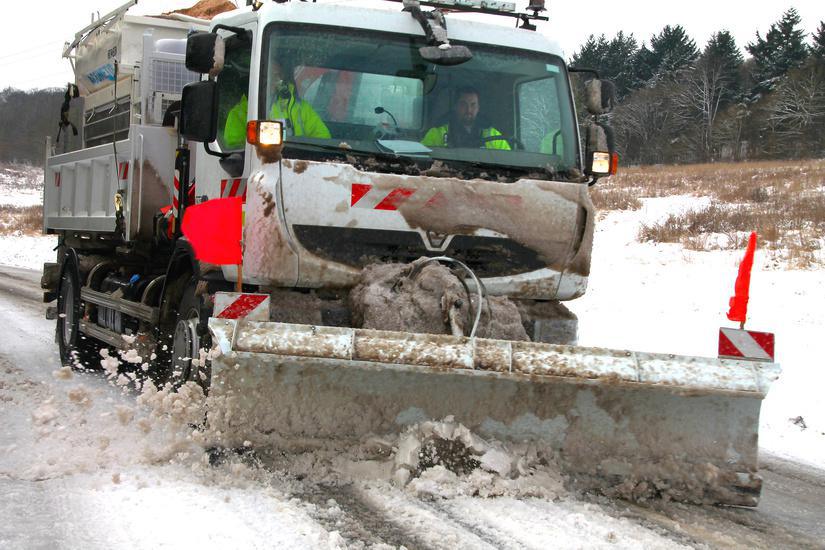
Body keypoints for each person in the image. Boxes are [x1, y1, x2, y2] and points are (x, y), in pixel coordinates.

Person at [223, 59, 330, 148]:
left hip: (299, 166)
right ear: (257, 77)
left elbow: (324, 139)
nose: (274, 80)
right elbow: (234, 150)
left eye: (277, 75)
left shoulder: (300, 107)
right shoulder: (241, 113)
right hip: (261, 164)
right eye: (269, 75)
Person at [421, 86, 510, 150]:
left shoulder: (494, 136)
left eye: (473, 105)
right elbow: (421, 159)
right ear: (455, 106)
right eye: (463, 104)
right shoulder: (437, 133)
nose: (469, 110)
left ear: (478, 108)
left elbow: (507, 160)